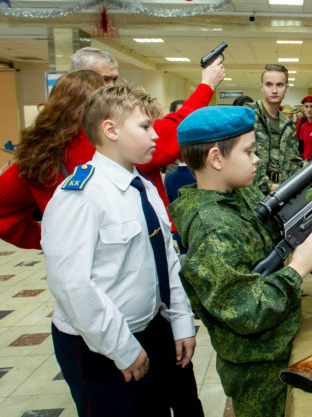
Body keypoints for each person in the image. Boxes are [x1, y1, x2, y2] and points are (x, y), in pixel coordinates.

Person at [167, 105, 312, 416]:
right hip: (258, 368)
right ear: (216, 159)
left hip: (277, 343)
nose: (256, 159)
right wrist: (297, 269)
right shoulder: (213, 230)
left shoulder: (237, 195)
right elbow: (246, 310)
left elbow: (291, 212)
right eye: (248, 151)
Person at [42, 83, 201, 416]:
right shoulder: (81, 195)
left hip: (151, 327)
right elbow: (72, 286)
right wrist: (122, 348)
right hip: (100, 344)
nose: (156, 136)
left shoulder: (144, 187)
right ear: (110, 130)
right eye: (145, 127)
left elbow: (167, 261)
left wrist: (181, 322)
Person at [0, 58, 225, 250]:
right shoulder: (120, 141)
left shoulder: (37, 155)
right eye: (107, 83)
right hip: (138, 251)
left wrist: (52, 238)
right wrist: (207, 85)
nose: (114, 88)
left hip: (77, 254)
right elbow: (177, 127)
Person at [247, 64, 302, 193]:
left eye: (279, 85)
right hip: (252, 193)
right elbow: (240, 159)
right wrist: (270, 187)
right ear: (261, 87)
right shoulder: (249, 115)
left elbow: (294, 161)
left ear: (286, 88)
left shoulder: (288, 125)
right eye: (269, 84)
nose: (274, 90)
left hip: (281, 193)